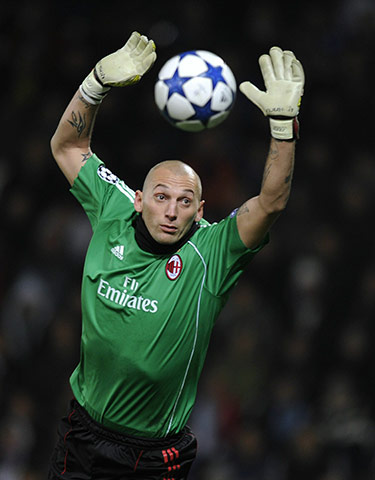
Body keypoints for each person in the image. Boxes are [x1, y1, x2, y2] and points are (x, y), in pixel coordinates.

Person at [47, 31, 304, 479]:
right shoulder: (113, 209)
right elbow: (67, 146)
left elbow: (270, 203)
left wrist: (282, 127)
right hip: (83, 437)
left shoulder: (212, 250)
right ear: (139, 199)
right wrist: (96, 83)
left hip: (154, 456)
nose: (170, 210)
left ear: (200, 211)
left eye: (185, 201)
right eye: (161, 197)